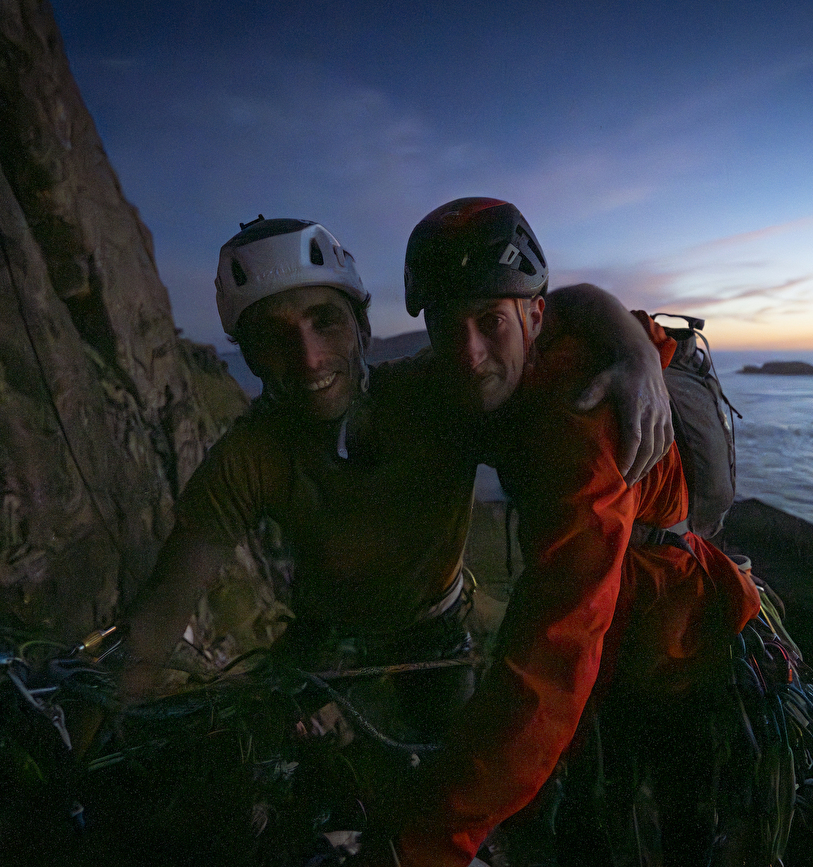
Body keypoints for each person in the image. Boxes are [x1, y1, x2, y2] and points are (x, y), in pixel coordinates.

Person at [118, 216, 670, 742]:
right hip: (321, 638)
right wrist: (105, 726)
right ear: (252, 357)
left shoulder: (438, 394)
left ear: (361, 326)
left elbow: (551, 305)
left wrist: (634, 347)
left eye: (324, 321)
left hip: (434, 637)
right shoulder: (250, 456)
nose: (309, 359)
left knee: (442, 773)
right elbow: (167, 601)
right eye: (273, 336)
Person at [385, 198, 763, 865]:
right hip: (625, 637)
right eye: (448, 326)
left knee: (669, 834)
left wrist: (420, 844)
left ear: (533, 314)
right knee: (601, 822)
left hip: (673, 647)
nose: (469, 354)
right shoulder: (528, 340)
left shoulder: (578, 418)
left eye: (488, 321)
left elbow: (550, 668)